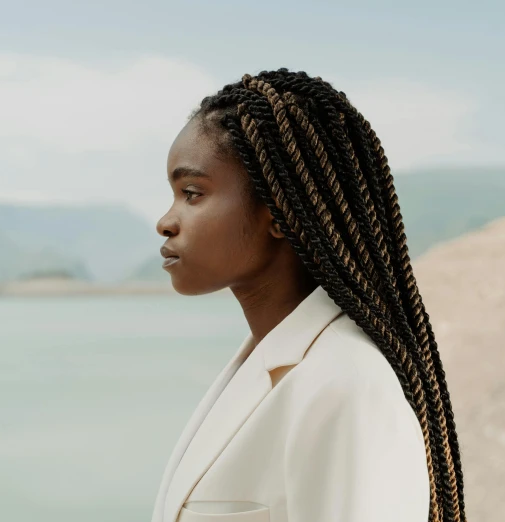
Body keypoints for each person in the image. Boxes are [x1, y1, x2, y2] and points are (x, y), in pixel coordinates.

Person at [151, 69, 465, 522]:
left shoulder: (346, 387)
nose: (166, 220)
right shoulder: (266, 362)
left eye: (192, 193)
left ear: (280, 210)